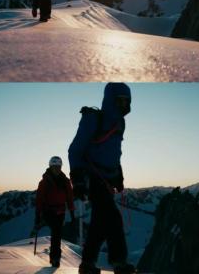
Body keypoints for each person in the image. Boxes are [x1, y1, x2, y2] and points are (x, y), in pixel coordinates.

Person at [68, 83, 135, 274]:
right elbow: (75, 150)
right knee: (112, 217)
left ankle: (88, 264)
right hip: (91, 176)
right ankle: (119, 262)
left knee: (100, 221)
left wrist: (118, 174)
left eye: (126, 101)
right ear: (110, 100)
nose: (122, 104)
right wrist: (78, 179)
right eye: (119, 100)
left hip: (106, 178)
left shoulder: (120, 123)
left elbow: (114, 153)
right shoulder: (93, 119)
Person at [35, 156, 75, 268]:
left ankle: (54, 258)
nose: (57, 169)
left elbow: (70, 198)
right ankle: (55, 259)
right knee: (56, 233)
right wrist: (38, 214)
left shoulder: (66, 182)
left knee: (56, 234)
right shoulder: (44, 182)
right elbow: (39, 199)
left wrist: (72, 213)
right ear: (51, 167)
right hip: (49, 211)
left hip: (60, 211)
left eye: (58, 167)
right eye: (55, 167)